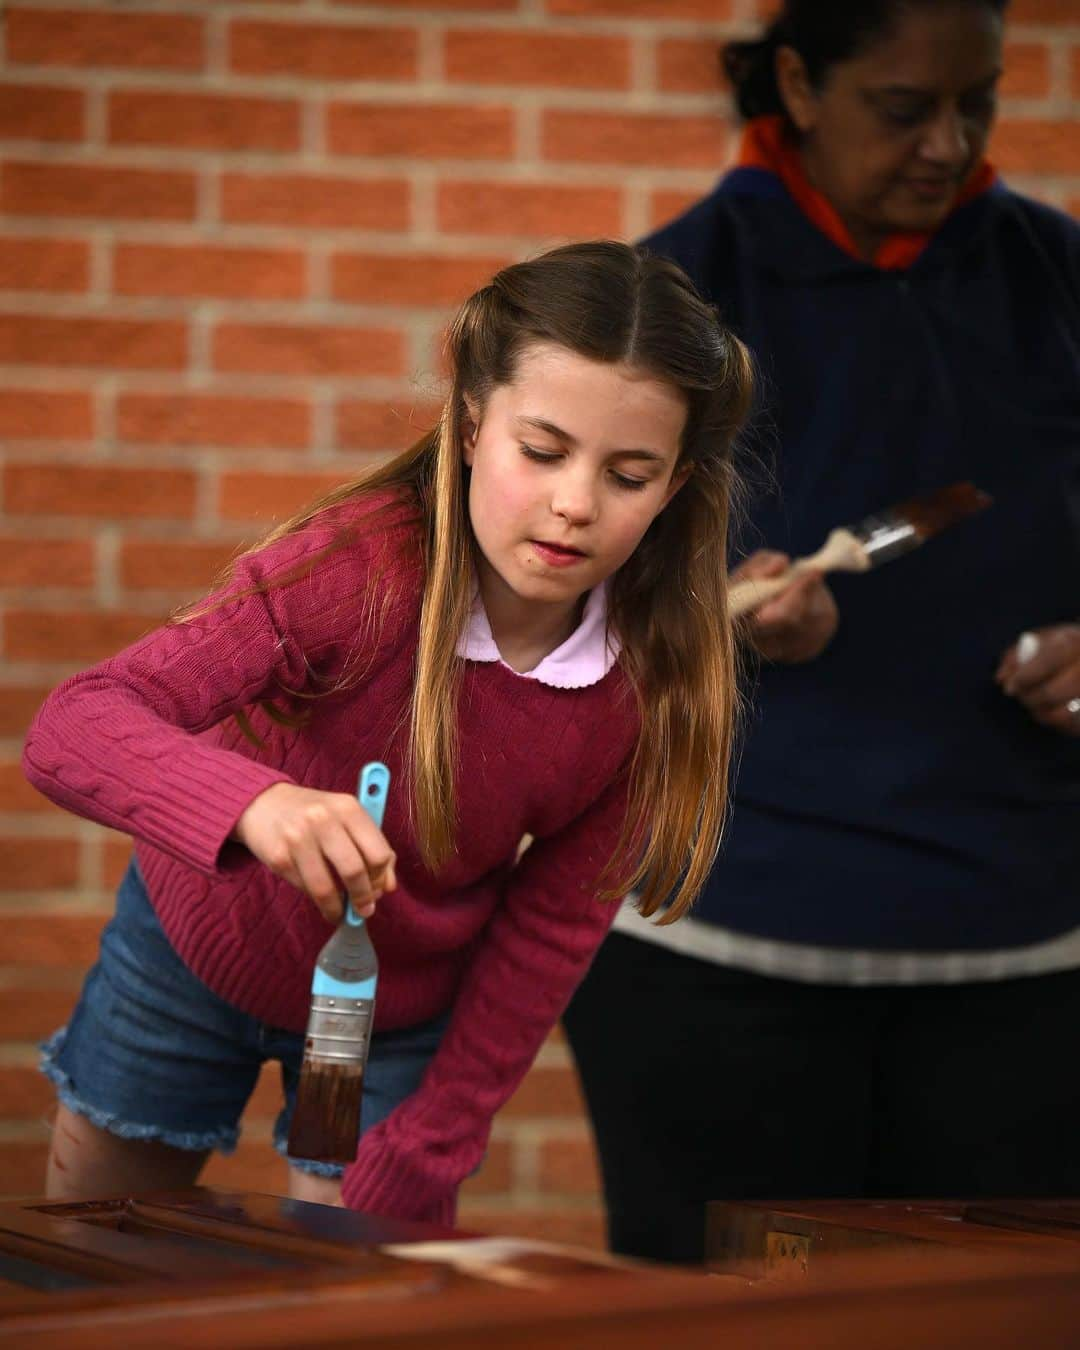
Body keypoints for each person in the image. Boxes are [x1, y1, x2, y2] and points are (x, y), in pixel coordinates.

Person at [22, 241, 753, 1223]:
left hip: (387, 1022)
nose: (574, 503)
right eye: (541, 452)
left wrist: (439, 1129)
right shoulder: (354, 570)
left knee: (356, 1295)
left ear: (674, 486)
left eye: (628, 474)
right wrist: (253, 803)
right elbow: (76, 725)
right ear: (468, 427)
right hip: (185, 960)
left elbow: (548, 933)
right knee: (100, 1268)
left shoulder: (647, 688)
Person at [564, 0, 1080, 1264]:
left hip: (1025, 965)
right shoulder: (667, 300)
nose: (949, 144)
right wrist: (705, 616)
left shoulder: (1060, 281)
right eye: (904, 110)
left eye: (981, 102)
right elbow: (542, 607)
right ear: (796, 81)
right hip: (718, 962)